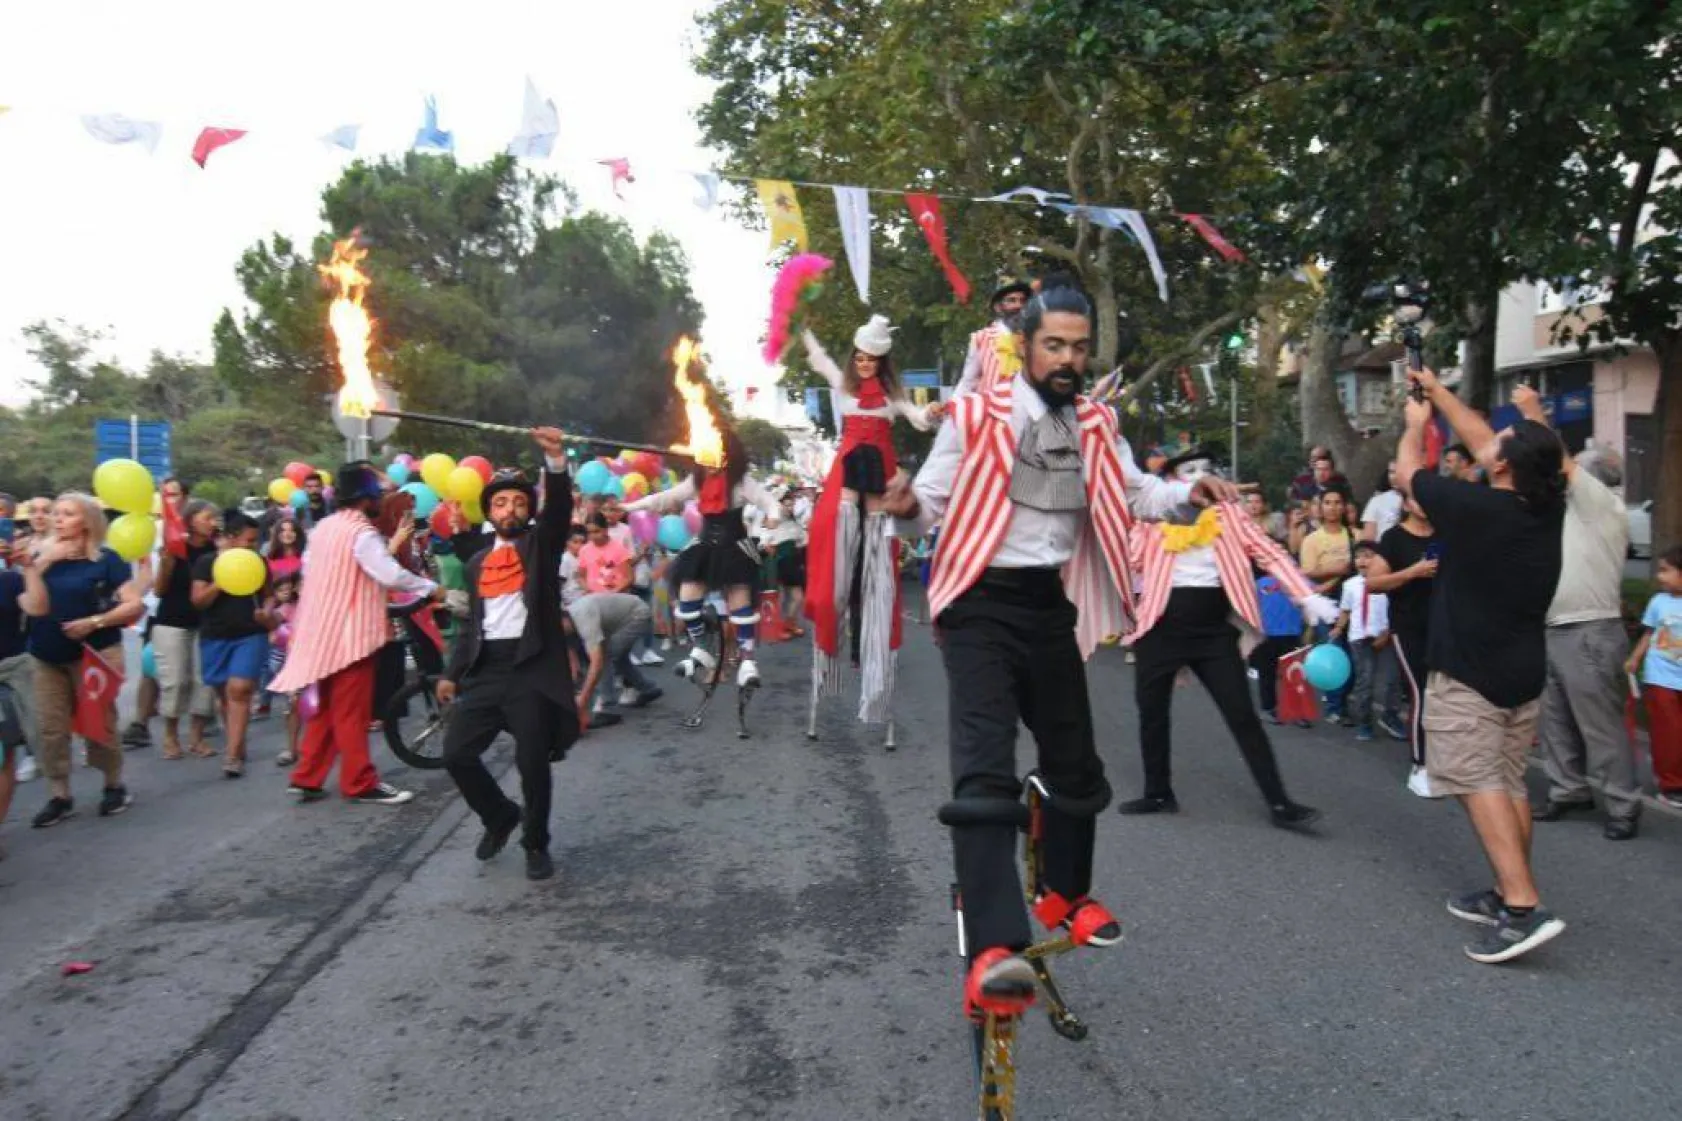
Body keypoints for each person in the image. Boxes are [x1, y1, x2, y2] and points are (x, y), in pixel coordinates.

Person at [880, 275, 1215, 1015]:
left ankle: (1064, 894)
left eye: (1078, 348)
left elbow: (1135, 494)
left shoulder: (1096, 423)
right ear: (1024, 347)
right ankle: (995, 946)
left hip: (1046, 604)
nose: (1067, 359)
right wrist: (903, 508)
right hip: (977, 602)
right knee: (986, 768)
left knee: (1077, 769)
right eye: (1053, 345)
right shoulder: (973, 413)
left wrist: (1190, 493)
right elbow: (925, 506)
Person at [1397, 368, 1568, 964]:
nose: (1485, 441)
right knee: (1508, 781)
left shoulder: (1474, 508)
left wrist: (1417, 425)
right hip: (1520, 670)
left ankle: (1523, 906)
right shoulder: (1546, 504)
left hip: (1469, 673)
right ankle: (1506, 890)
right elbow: (1486, 443)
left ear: (1502, 466)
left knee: (1477, 781)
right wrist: (1440, 393)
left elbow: (1406, 478)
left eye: (1497, 442)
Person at [1118, 447, 1333, 825]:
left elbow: (1269, 552)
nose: (1200, 475)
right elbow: (1127, 558)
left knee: (1242, 715)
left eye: (1206, 468)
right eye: (1190, 469)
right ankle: (1158, 793)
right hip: (1159, 630)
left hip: (1213, 635)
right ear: (1172, 481)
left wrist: (1307, 595)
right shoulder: (1154, 517)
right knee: (1152, 713)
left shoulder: (1231, 516)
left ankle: (1279, 803)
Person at [1493, 390, 1642, 839]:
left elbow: (1559, 461)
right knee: (1554, 718)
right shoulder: (1571, 514)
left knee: (1599, 724)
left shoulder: (1600, 504)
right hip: (1554, 628)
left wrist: (1534, 415)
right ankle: (1568, 788)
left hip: (1589, 629)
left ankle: (1622, 803)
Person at [437, 428, 578, 881]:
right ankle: (499, 816)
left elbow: (557, 513)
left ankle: (535, 843)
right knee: (457, 753)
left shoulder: (540, 545)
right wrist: (452, 673)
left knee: (532, 764)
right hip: (486, 671)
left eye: (519, 501)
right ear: (490, 510)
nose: (510, 509)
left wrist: (555, 462)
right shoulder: (478, 561)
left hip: (530, 669)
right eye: (501, 502)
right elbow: (472, 626)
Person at [269, 462, 439, 806]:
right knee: (351, 711)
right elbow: (389, 574)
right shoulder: (361, 532)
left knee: (327, 708)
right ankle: (360, 781)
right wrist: (432, 588)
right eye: (377, 494)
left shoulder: (323, 529)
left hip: (318, 631)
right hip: (350, 636)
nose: (381, 499)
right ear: (365, 497)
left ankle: (307, 777)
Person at [800, 315, 939, 723]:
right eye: (859, 358)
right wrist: (804, 328)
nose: (864, 364)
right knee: (833, 580)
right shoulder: (842, 388)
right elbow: (820, 358)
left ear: (881, 362)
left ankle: (876, 688)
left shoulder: (892, 396)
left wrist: (932, 413)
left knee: (878, 583)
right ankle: (829, 665)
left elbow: (917, 418)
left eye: (871, 360)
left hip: (879, 484)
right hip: (845, 483)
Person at [17, 494, 146, 827]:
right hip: (46, 653)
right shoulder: (37, 555)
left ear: (87, 521)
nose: (57, 519)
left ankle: (113, 785)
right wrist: (46, 560)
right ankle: (60, 794)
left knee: (98, 724)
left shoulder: (107, 559)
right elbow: (22, 599)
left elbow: (133, 606)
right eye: (55, 514)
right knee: (50, 728)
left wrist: (94, 622)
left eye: (67, 514)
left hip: (94, 654)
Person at [626, 408, 778, 689]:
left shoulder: (741, 482)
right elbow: (664, 498)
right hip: (705, 548)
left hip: (735, 548)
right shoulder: (696, 481)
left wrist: (773, 515)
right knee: (687, 601)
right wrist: (628, 507)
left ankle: (746, 660)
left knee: (740, 606)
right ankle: (702, 649)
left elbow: (768, 501)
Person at [190, 511, 275, 778]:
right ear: (230, 538)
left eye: (255, 541)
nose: (253, 546)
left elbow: (269, 597)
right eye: (248, 541)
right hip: (214, 637)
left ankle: (232, 755)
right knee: (223, 693)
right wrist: (222, 581)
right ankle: (237, 741)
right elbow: (198, 601)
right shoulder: (207, 563)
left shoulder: (259, 562)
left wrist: (267, 612)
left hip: (250, 634)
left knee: (239, 689)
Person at [1367, 493, 1440, 796]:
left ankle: (1444, 762)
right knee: (1420, 692)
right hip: (1408, 626)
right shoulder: (1395, 538)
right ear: (1407, 504)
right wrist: (1414, 572)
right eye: (1417, 498)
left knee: (1446, 696)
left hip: (1445, 627)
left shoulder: (1445, 532)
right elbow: (1373, 583)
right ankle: (1420, 765)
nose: (1424, 504)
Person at [150, 498, 220, 759]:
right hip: (172, 621)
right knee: (175, 681)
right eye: (207, 518)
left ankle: (197, 736)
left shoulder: (216, 550)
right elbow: (158, 590)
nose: (212, 523)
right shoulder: (174, 548)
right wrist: (166, 565)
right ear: (190, 520)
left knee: (204, 680)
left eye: (214, 519)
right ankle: (170, 735)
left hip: (206, 622)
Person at [1627, 546, 1682, 810]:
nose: (1660, 576)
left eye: (1665, 570)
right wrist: (1635, 658)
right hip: (1661, 677)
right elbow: (1648, 634)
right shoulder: (1659, 602)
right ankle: (1671, 784)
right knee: (1667, 732)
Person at [1332, 541, 1403, 742]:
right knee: (1365, 681)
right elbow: (1346, 609)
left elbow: (1396, 610)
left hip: (1386, 636)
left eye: (1369, 555)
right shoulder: (1349, 585)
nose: (1363, 561)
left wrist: (1387, 633)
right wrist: (1338, 628)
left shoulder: (1388, 582)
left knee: (1392, 680)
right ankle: (1365, 723)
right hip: (1359, 638)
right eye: (1358, 556)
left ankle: (1391, 716)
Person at [1298, 485, 1357, 722]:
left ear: (1344, 507)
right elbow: (1308, 570)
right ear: (1320, 509)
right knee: (1334, 651)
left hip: (1354, 601)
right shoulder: (1312, 540)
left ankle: (1340, 699)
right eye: (1328, 503)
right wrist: (1338, 569)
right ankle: (1335, 707)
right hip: (1326, 602)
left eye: (1337, 502)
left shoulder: (1355, 536)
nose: (1333, 507)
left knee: (1354, 657)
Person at [565, 592, 662, 724]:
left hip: (637, 614)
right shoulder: (566, 627)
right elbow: (573, 666)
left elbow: (597, 662)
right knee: (619, 658)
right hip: (620, 618)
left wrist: (583, 698)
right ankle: (648, 688)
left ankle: (608, 709)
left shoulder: (583, 618)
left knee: (606, 657)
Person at [951, 277, 1032, 399]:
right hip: (994, 412)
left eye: (1022, 301)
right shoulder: (982, 338)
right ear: (998, 307)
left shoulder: (1037, 337)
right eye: (1011, 300)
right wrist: (951, 408)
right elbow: (968, 381)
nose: (1018, 305)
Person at [763, 488, 808, 638]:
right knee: (792, 597)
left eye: (791, 504)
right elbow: (764, 539)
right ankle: (784, 625)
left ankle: (789, 624)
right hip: (781, 561)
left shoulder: (793, 522)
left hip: (793, 560)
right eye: (786, 504)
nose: (790, 507)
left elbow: (803, 540)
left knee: (791, 597)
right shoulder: (774, 521)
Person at [1361, 461, 1405, 541]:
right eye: (1391, 472)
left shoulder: (1419, 499)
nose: (1394, 477)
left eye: (1398, 472)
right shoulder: (1377, 501)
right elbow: (1368, 539)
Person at [265, 517, 306, 584]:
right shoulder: (268, 554)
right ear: (277, 534)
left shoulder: (305, 554)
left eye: (292, 530)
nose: (287, 534)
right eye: (283, 530)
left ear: (298, 533)